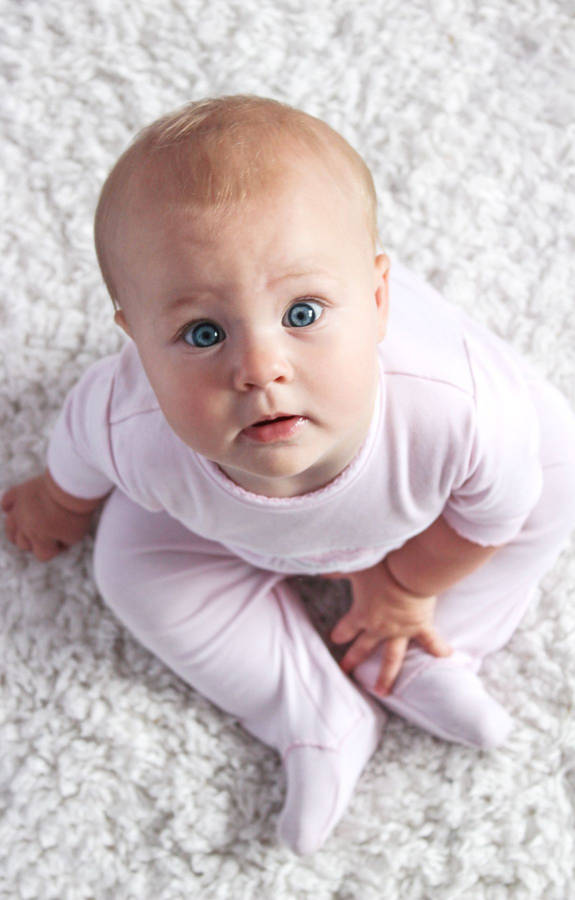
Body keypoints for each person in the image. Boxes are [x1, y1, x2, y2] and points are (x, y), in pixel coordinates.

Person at [3, 95, 575, 855]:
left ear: (376, 301)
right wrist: (58, 500)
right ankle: (312, 715)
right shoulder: (128, 422)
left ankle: (429, 647)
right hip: (223, 521)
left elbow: (490, 515)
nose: (259, 368)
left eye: (303, 313)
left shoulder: (456, 415)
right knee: (132, 569)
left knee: (552, 477)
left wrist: (405, 583)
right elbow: (78, 453)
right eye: (201, 333)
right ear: (137, 342)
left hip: (432, 514)